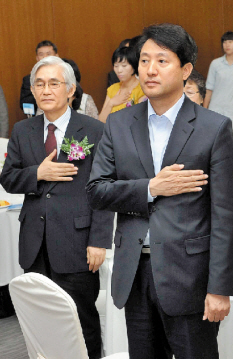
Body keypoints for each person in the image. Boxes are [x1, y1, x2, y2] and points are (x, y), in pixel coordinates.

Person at [86, 23, 233, 359]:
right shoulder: (118, 123)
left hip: (190, 277)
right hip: (135, 272)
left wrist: (220, 288)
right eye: (144, 61)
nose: (150, 69)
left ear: (186, 70)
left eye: (162, 60)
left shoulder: (214, 129)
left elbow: (226, 217)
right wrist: (151, 188)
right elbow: (97, 191)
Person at [0, 56, 113, 359]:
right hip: (35, 242)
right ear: (33, 92)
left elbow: (103, 189)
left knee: (81, 319)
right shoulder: (23, 131)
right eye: (39, 84)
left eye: (54, 83)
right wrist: (38, 173)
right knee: (40, 321)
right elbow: (8, 178)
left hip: (77, 241)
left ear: (71, 90)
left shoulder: (93, 130)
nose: (46, 90)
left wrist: (99, 240)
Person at [204, 31, 233, 141]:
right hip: (215, 109)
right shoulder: (215, 63)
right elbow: (209, 88)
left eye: (230, 42)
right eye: (224, 42)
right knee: (213, 142)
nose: (227, 45)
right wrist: (205, 110)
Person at [98, 46, 146, 123]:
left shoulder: (143, 89)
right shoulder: (113, 89)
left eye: (124, 66)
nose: (119, 70)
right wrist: (111, 103)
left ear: (134, 66)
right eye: (116, 66)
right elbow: (101, 121)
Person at [20, 40, 58, 114]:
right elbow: (24, 105)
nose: (45, 57)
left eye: (48, 54)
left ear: (56, 56)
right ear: (37, 58)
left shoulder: (65, 75)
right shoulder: (29, 79)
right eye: (41, 54)